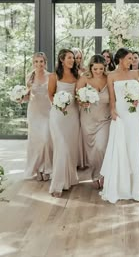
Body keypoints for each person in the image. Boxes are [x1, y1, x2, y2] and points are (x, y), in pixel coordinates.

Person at [100, 48, 139, 203]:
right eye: (128, 58)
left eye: (133, 59)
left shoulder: (136, 74)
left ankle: (136, 188)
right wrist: (112, 110)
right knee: (120, 147)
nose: (131, 61)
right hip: (121, 113)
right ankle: (120, 187)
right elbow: (112, 97)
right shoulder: (111, 75)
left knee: (134, 148)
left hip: (136, 114)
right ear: (120, 59)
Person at [48, 49, 80, 197]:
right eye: (69, 58)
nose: (72, 60)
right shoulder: (55, 76)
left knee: (70, 148)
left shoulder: (77, 75)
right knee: (61, 147)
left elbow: (78, 94)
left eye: (73, 58)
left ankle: (70, 178)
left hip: (73, 115)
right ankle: (57, 184)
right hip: (58, 114)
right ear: (61, 59)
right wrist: (59, 104)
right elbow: (50, 94)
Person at [76, 55, 111, 189]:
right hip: (88, 120)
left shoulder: (109, 78)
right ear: (91, 67)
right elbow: (77, 96)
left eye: (101, 69)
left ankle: (102, 174)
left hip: (104, 119)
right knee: (92, 150)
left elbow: (113, 97)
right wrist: (82, 102)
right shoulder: (84, 78)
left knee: (101, 147)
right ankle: (95, 173)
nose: (98, 71)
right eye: (95, 68)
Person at [24, 52, 53, 181]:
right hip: (34, 112)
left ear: (45, 63)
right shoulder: (29, 76)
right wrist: (21, 98)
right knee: (35, 142)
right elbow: (27, 96)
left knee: (46, 140)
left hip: (47, 112)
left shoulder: (51, 76)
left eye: (41, 61)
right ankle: (38, 169)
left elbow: (53, 94)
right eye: (36, 61)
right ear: (33, 63)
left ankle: (47, 168)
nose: (39, 64)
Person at [72, 47, 87, 168]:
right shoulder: (67, 71)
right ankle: (74, 159)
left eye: (79, 58)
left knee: (81, 130)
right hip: (70, 102)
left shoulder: (84, 70)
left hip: (82, 102)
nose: (78, 60)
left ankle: (82, 160)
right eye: (75, 57)